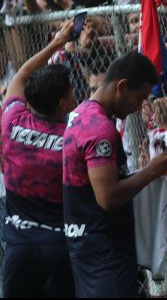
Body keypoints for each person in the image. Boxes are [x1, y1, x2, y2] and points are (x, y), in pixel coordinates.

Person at [63, 51, 167, 297]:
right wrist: (151, 171)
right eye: (138, 98)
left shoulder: (82, 114)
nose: (138, 107)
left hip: (86, 242)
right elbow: (107, 197)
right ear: (122, 86)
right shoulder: (100, 128)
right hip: (103, 249)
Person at [1, 21, 77, 297]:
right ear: (63, 104)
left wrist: (56, 42)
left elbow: (21, 75)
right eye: (71, 93)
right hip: (59, 248)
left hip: (18, 248)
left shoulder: (11, 120)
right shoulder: (73, 139)